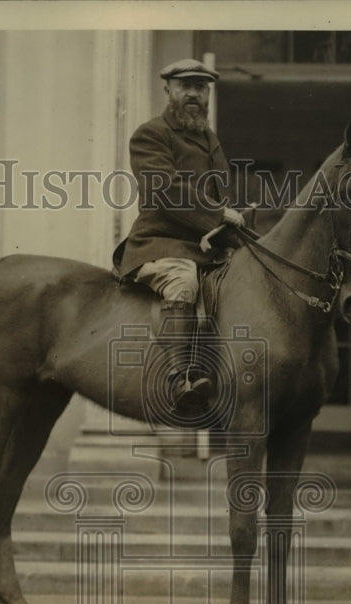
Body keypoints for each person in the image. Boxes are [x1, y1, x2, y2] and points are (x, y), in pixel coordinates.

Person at [112, 58, 244, 417]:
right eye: (185, 85)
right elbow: (164, 189)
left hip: (204, 247)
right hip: (161, 243)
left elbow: (221, 200)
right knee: (183, 282)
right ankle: (180, 377)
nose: (194, 94)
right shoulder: (151, 134)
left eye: (201, 87)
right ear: (168, 89)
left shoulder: (210, 141)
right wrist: (217, 215)